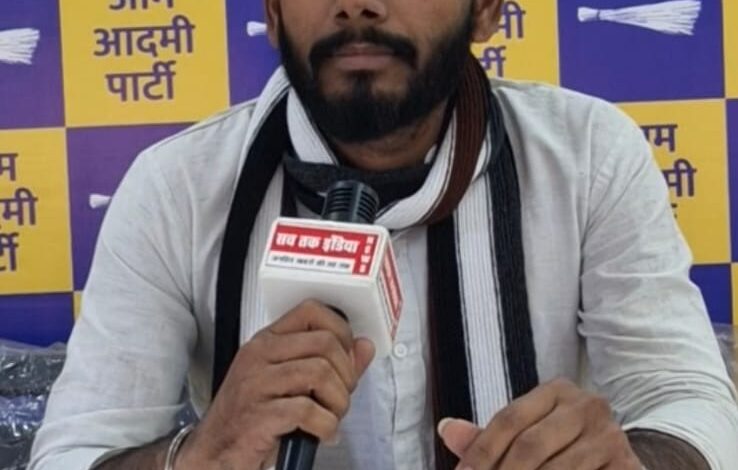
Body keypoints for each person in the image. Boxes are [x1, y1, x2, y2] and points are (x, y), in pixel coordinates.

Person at [30, 0, 738, 469]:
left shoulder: (588, 155)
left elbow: (690, 402)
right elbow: (72, 453)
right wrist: (198, 458)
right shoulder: (176, 186)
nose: (357, 6)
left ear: (486, 9)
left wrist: (631, 462)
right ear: (272, 13)